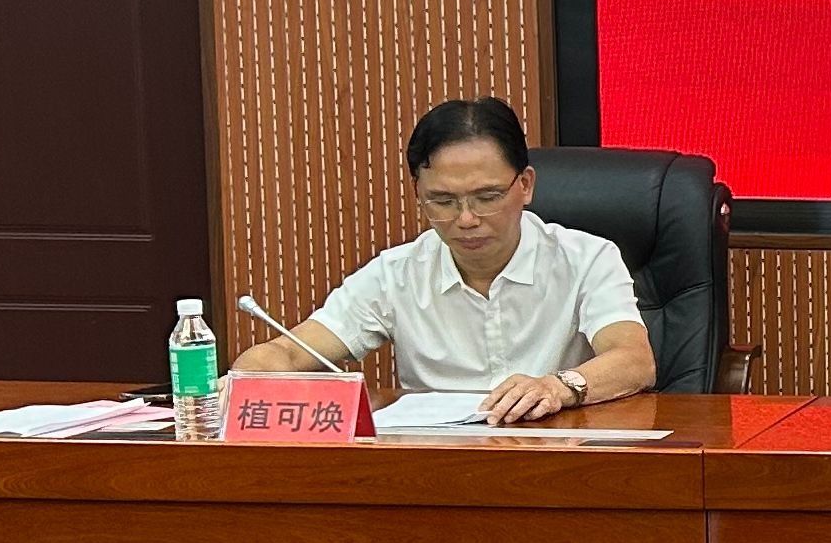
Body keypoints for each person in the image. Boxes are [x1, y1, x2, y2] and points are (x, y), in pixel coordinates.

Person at [239, 97, 656, 424]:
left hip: (554, 460)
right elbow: (288, 353)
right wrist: (246, 381)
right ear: (418, 193)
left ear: (525, 185)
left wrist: (556, 388)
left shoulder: (587, 258)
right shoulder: (396, 274)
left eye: (487, 197)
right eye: (442, 201)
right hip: (436, 468)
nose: (466, 219)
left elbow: (634, 360)